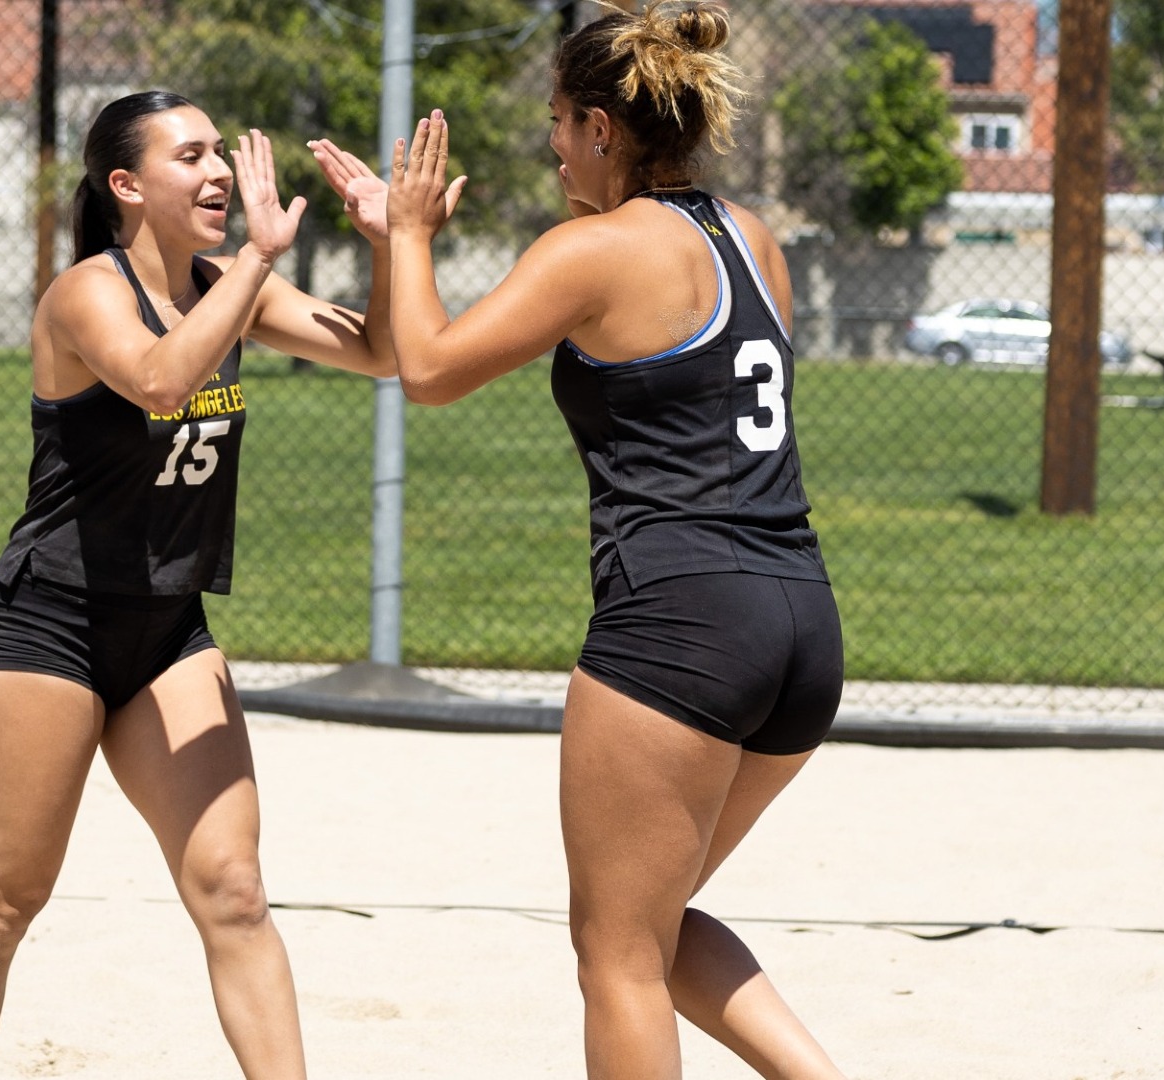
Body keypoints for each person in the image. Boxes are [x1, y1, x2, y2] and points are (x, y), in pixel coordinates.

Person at [372, 3, 849, 1076]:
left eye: (557, 121)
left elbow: (430, 369)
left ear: (601, 127)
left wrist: (407, 235)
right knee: (652, 927)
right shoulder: (752, 237)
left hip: (682, 619)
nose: (551, 145)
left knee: (618, 956)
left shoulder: (593, 248)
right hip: (800, 618)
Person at [0, 90, 406, 1080]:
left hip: (168, 629)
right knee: (6, 904)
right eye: (191, 155)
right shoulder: (86, 295)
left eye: (220, 150)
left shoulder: (231, 286)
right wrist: (260, 259)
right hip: (50, 625)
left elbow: (383, 352)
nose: (219, 169)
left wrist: (390, 244)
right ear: (128, 185)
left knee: (235, 890)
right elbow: (158, 379)